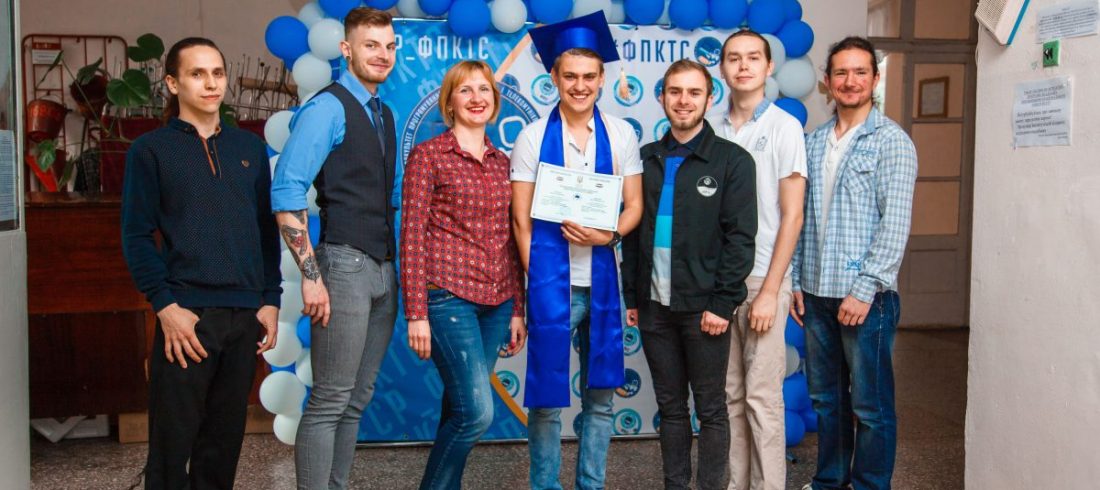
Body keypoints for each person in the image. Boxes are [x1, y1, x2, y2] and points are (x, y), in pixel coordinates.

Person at [121, 37, 281, 489]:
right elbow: (136, 235)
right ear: (173, 83)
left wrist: (270, 299)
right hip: (186, 317)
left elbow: (265, 231)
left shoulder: (248, 149)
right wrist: (165, 306)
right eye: (197, 74)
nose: (211, 84)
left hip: (244, 316)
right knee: (171, 450)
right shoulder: (150, 150)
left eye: (217, 73)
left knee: (222, 448)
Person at [510, 11, 644, 490]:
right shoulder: (532, 137)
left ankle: (591, 484)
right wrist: (541, 281)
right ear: (554, 77)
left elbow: (634, 206)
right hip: (554, 286)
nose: (580, 86)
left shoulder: (622, 134)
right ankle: (545, 485)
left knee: (601, 397)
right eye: (570, 76)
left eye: (589, 77)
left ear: (602, 78)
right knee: (546, 399)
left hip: (602, 283)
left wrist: (608, 236)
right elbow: (521, 220)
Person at [269, 7, 398, 489]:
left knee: (356, 399)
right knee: (329, 400)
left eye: (389, 46)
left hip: (383, 270)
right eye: (371, 45)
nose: (382, 55)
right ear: (346, 50)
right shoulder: (327, 108)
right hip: (342, 266)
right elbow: (287, 192)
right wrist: (311, 276)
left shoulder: (383, 112)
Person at [622, 59, 757, 490]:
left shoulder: (733, 161)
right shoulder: (645, 159)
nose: (684, 101)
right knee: (671, 408)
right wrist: (631, 298)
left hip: (705, 310)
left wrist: (723, 303)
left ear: (709, 98)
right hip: (654, 307)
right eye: (675, 92)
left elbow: (740, 239)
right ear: (662, 96)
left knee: (712, 409)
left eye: (694, 92)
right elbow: (632, 233)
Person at [790, 36, 918, 490]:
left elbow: (895, 225)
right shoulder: (814, 142)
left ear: (875, 79)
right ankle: (829, 481)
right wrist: (796, 280)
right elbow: (801, 218)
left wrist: (864, 290)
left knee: (871, 406)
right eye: (841, 72)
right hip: (816, 293)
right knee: (827, 401)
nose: (850, 81)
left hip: (867, 299)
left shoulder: (892, 142)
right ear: (826, 81)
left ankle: (869, 484)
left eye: (860, 71)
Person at [400, 60, 528, 489]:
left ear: (495, 101)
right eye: (466, 90)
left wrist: (518, 308)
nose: (477, 98)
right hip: (447, 295)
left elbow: (512, 237)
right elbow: (412, 235)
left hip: (498, 301)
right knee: (476, 412)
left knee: (458, 408)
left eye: (484, 90)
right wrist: (416, 312)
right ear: (450, 103)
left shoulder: (503, 162)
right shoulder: (428, 155)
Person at [708, 30, 807, 490]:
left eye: (753, 58)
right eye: (733, 58)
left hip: (762, 278)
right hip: (718, 283)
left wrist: (770, 291)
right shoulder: (710, 127)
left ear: (769, 68)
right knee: (729, 396)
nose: (743, 66)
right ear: (722, 68)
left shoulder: (784, 127)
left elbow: (792, 215)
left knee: (763, 399)